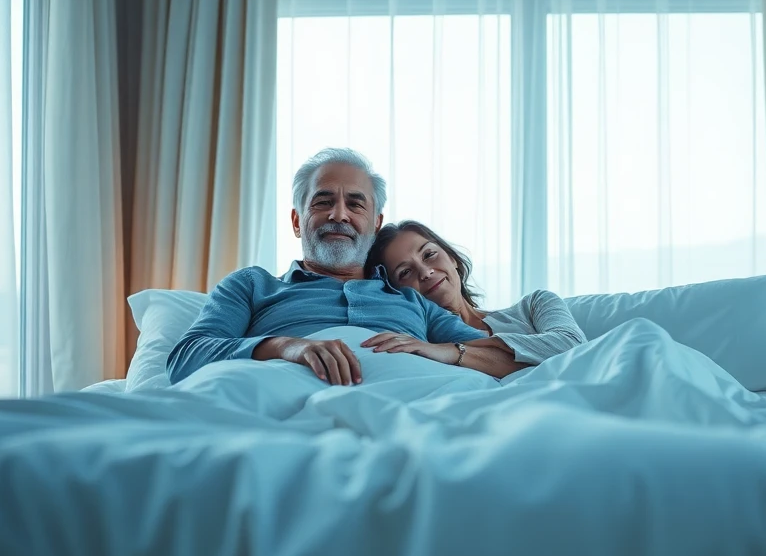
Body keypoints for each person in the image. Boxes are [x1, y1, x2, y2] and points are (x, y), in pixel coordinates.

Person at [166, 148, 525, 386]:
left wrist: (444, 350)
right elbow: (184, 359)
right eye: (323, 202)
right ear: (297, 221)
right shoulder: (252, 285)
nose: (339, 214)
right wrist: (287, 347)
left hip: (414, 413)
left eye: (356, 205)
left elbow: (512, 360)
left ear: (375, 224)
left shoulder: (412, 302)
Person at [364, 221, 586, 365]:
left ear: (452, 258)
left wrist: (453, 350)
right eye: (405, 272)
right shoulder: (419, 346)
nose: (425, 272)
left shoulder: (535, 304)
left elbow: (573, 347)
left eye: (429, 254)